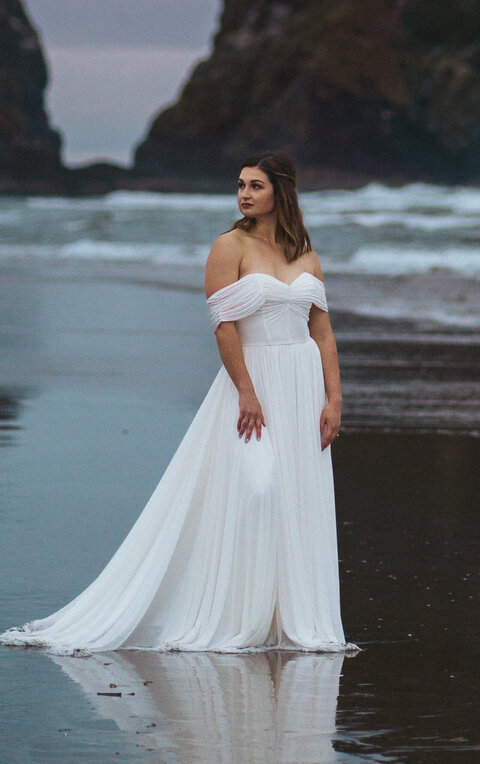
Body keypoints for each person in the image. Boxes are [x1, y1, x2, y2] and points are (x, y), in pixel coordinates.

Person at [2, 152, 349, 653]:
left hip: (302, 384)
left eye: (256, 185)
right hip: (252, 383)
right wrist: (247, 391)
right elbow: (223, 326)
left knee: (297, 497)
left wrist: (333, 400)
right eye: (240, 185)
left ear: (282, 193)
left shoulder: (307, 255)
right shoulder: (229, 246)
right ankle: (235, 615)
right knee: (260, 488)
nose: (244, 194)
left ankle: (290, 620)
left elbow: (323, 333)